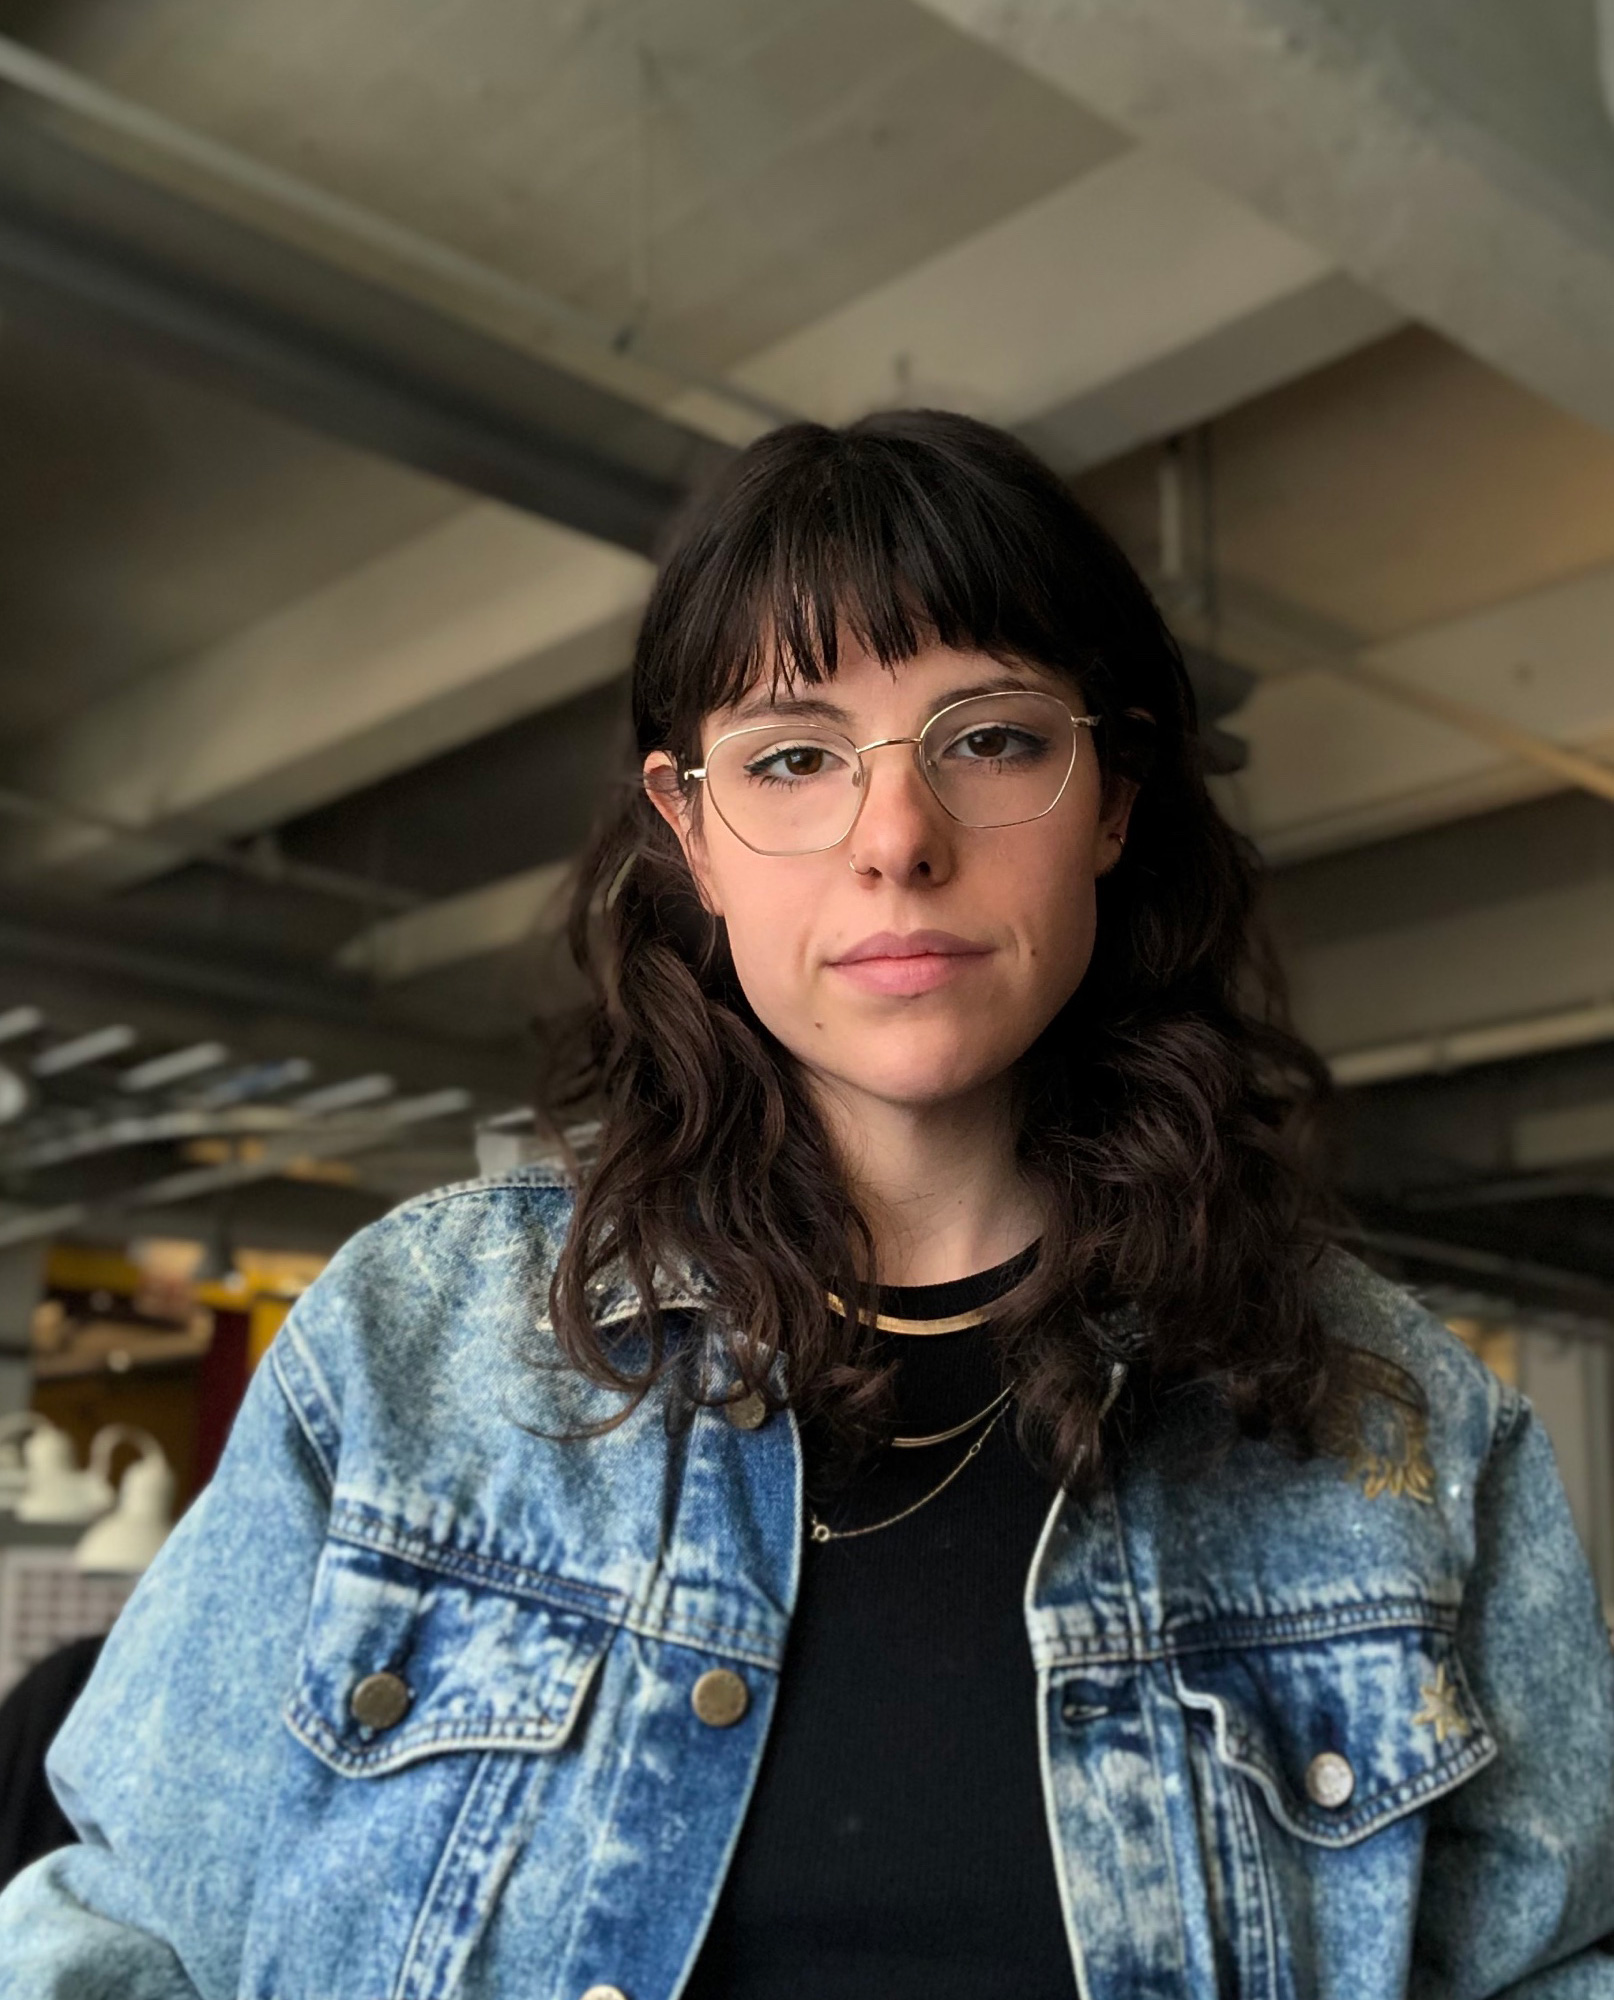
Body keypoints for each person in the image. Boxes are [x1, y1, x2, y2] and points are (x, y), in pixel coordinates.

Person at [1, 410, 1610, 1999]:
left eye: (989, 738)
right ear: (689, 830)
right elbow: (120, 1932)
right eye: (790, 759)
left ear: (1110, 800)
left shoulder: (1395, 1426)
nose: (895, 839)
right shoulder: (411, 1357)